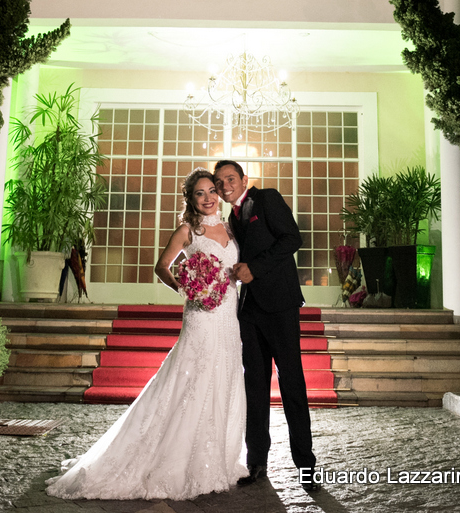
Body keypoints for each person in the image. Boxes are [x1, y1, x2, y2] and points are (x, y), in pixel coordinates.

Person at [46, 168, 247, 500]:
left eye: (212, 190)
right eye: (200, 193)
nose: (209, 197)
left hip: (228, 316)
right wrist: (188, 288)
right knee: (192, 380)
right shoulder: (188, 231)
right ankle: (176, 460)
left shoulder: (231, 229)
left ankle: (216, 457)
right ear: (191, 199)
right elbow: (162, 266)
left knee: (222, 378)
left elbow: (236, 270)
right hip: (201, 316)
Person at [214, 159, 318, 493]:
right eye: (220, 181)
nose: (225, 185)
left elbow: (292, 238)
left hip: (281, 306)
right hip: (250, 312)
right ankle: (257, 460)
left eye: (231, 178)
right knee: (255, 388)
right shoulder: (230, 217)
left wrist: (255, 268)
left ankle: (306, 465)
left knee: (292, 385)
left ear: (244, 179)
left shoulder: (267, 198)